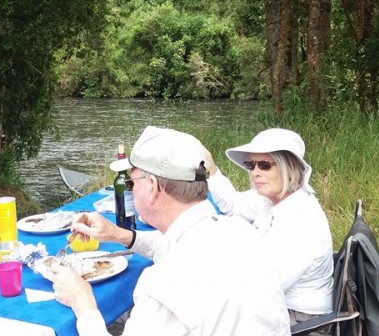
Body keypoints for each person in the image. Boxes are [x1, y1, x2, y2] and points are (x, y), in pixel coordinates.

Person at [51, 126, 291, 336]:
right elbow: (177, 245)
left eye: (132, 184)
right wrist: (118, 234)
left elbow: (180, 261)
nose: (130, 190)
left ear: (153, 187)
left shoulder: (161, 285)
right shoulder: (243, 232)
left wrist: (83, 304)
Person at [204, 128, 334, 331]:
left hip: (301, 319)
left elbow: (263, 287)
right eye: (251, 164)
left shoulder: (302, 220)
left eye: (264, 165)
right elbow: (233, 204)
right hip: (276, 302)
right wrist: (210, 166)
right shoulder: (270, 199)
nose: (255, 172)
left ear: (288, 168)